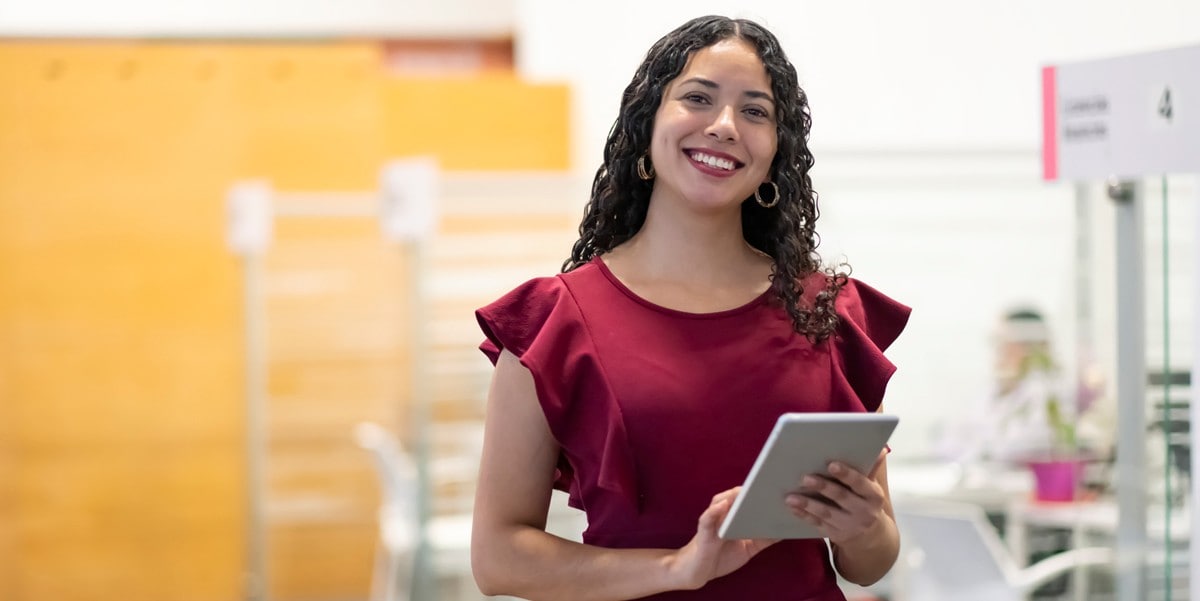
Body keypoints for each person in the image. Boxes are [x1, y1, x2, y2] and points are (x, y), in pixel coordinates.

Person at [470, 15, 911, 600]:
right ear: (645, 126)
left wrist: (866, 527)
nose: (725, 126)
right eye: (698, 98)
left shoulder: (830, 313)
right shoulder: (554, 321)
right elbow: (499, 557)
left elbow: (869, 564)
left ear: (776, 153)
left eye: (755, 111)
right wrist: (675, 568)